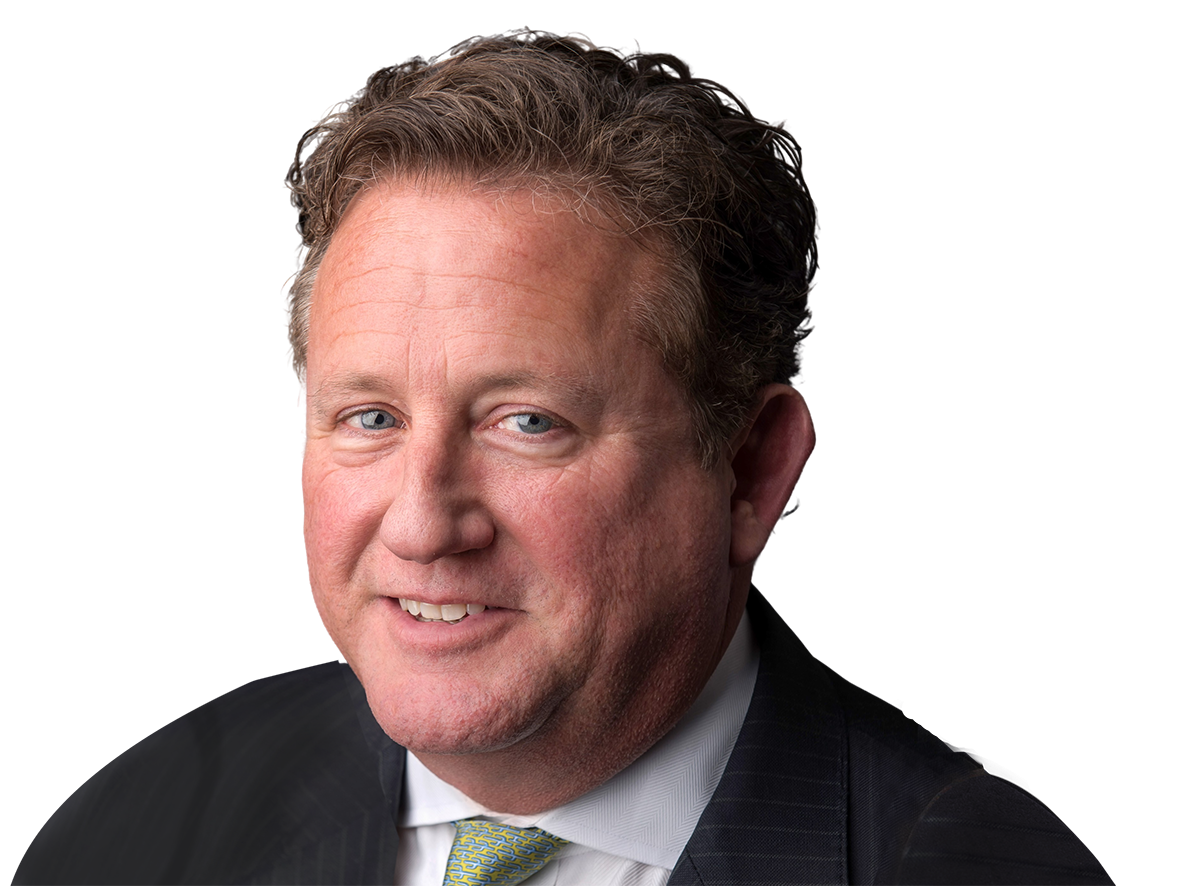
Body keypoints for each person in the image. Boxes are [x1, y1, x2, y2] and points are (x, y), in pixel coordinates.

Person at [17, 29, 1112, 886]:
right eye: (371, 417)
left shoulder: (976, 867)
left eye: (527, 422)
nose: (422, 524)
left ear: (748, 471)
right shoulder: (150, 820)